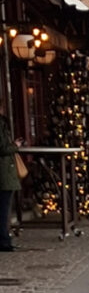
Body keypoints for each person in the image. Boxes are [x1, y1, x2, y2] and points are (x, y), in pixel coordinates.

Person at [0, 108, 23, 251]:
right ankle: (3, 240)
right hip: (3, 171)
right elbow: (2, 148)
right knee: (3, 208)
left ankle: (4, 239)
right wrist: (15, 145)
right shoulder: (1, 124)